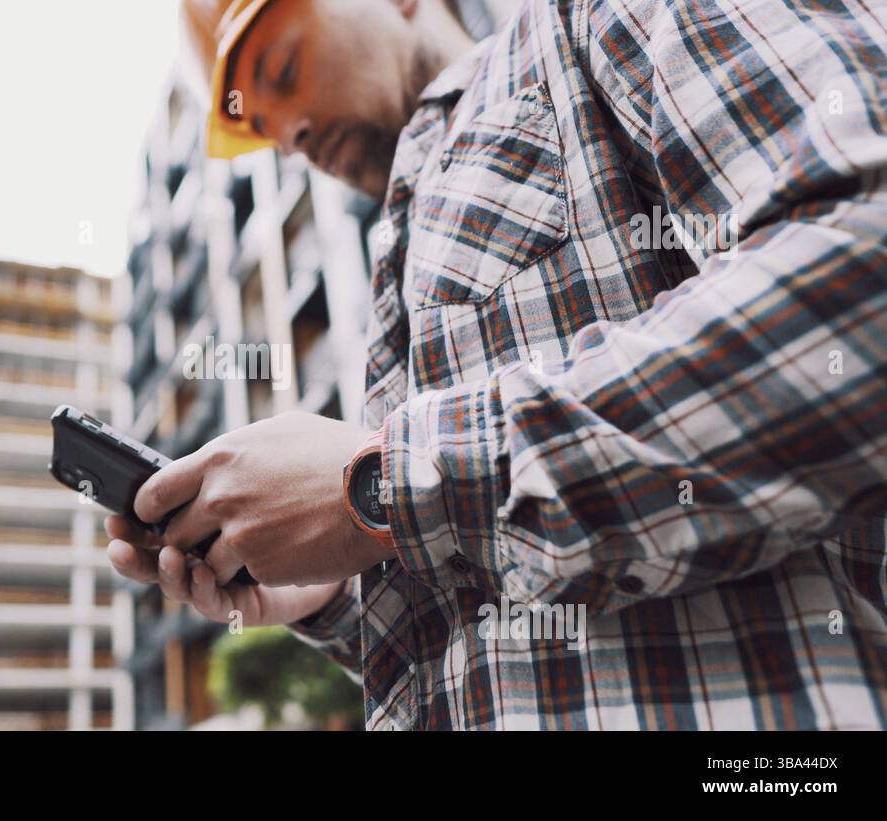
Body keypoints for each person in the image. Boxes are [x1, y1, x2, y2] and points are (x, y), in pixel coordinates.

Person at [107, 0, 887, 730]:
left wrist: (383, 483)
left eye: (280, 72)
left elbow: (859, 287)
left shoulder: (586, 25)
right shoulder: (400, 260)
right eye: (270, 129)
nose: (292, 136)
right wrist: (342, 591)